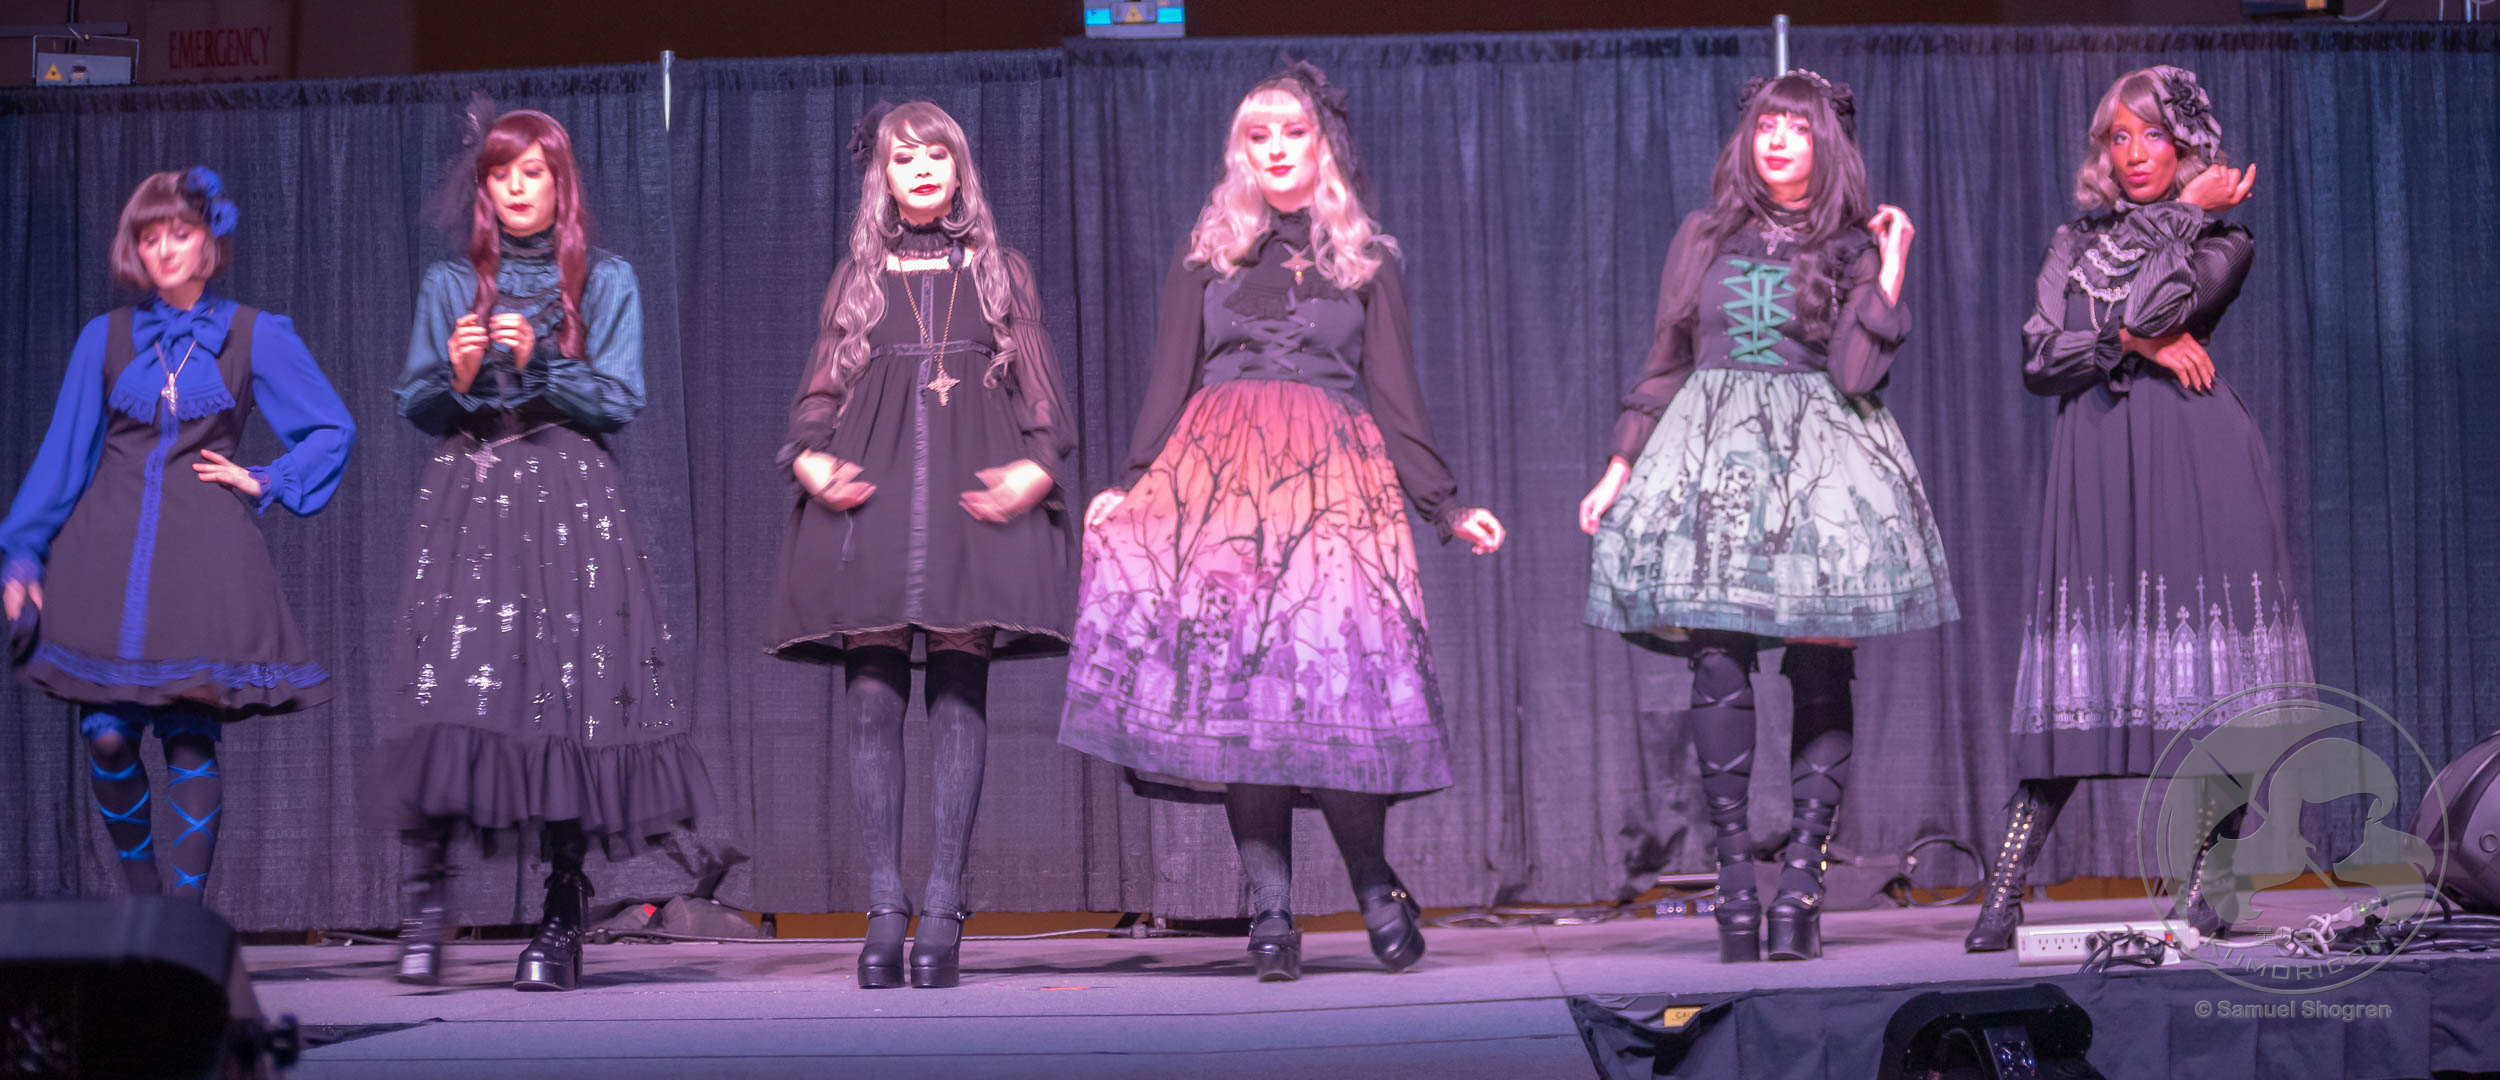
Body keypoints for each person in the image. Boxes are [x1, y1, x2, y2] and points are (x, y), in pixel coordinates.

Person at [1059, 62, 1507, 982]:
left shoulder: (1365, 259)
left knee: (1330, 696)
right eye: (1257, 137)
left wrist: (1444, 506)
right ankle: (1270, 909)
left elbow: (1397, 395)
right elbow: (1168, 378)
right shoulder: (1208, 253)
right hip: (1218, 482)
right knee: (1244, 700)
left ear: (1322, 145)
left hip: (1331, 484)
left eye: (1292, 133)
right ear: (1241, 152)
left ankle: (1373, 884)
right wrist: (1133, 483)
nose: (1274, 151)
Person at [1582, 72, 1955, 962]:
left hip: (1819, 468)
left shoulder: (1853, 246)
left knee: (1820, 662)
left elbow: (1857, 374)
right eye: (1765, 125)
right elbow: (1668, 359)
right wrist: (1620, 466)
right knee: (1718, 658)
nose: (1778, 139)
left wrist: (1891, 267)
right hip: (1715, 462)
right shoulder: (1704, 235)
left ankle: (1802, 885)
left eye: (1797, 126)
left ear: (1829, 142)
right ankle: (1736, 888)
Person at [375, 106, 715, 991]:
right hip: (474, 495)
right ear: (484, 188)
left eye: (534, 173)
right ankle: (426, 905)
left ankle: (562, 908)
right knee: (449, 692)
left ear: (562, 184)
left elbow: (619, 398)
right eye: (502, 175)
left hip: (569, 498)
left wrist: (539, 362)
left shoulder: (605, 279)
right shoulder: (453, 282)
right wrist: (456, 376)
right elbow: (415, 402)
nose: (518, 188)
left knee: (569, 700)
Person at [1964, 66, 2297, 953]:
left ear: (2188, 147)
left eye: (2155, 135)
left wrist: (2182, 218)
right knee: (2079, 687)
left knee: (2214, 691)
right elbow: (2041, 361)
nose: (2137, 153)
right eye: (2120, 136)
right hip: (2099, 462)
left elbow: (2160, 306)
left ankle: (2210, 885)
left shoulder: (2225, 239)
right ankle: (2003, 893)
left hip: (2199, 457)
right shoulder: (2072, 242)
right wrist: (2126, 343)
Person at [767, 101, 1074, 990]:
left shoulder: (999, 273)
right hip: (877, 495)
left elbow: (1041, 395)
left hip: (968, 499)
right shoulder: (858, 278)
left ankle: (943, 901)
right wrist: (809, 456)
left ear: (960, 168)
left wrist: (1040, 466)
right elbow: (818, 395)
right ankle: (884, 902)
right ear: (885, 179)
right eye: (905, 158)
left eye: (938, 153)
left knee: (958, 687)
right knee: (870, 696)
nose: (924, 168)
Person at [0, 167, 354, 906]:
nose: (163, 249)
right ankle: (144, 905)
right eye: (149, 236)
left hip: (204, 563)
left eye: (180, 233)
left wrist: (269, 478)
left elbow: (332, 428)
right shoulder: (106, 337)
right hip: (104, 556)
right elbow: (64, 455)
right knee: (106, 734)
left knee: (189, 738)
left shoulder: (254, 333)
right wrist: (23, 552)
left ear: (208, 241)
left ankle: (181, 925)